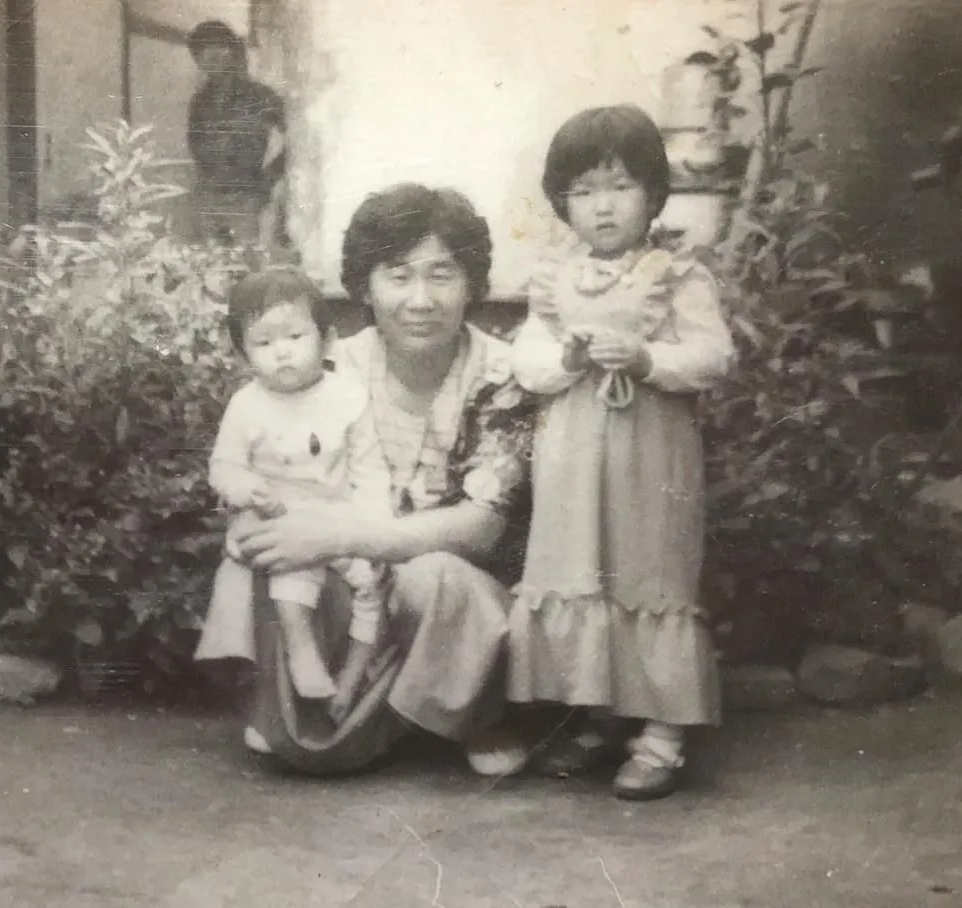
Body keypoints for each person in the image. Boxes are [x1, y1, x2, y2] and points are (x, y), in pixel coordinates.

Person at [194, 184, 536, 778]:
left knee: (433, 578)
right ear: (366, 287)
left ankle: (474, 717)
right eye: (398, 276)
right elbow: (266, 460)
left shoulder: (503, 376)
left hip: (457, 581)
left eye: (442, 275)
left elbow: (481, 527)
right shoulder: (329, 368)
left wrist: (341, 536)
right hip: (348, 572)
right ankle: (310, 711)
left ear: (471, 285)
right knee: (264, 552)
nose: (421, 300)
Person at [507, 105, 736, 800]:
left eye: (620, 186)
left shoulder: (675, 274)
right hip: (574, 456)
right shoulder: (555, 279)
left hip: (649, 454)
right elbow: (528, 362)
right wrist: (568, 358)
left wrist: (646, 358)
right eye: (583, 191)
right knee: (584, 567)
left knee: (649, 571)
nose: (602, 206)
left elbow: (713, 355)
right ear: (562, 202)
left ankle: (663, 731)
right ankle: (600, 712)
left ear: (654, 194)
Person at [206, 267, 389, 717]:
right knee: (291, 564)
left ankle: (353, 677)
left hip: (336, 515)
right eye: (263, 343)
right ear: (244, 354)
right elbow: (223, 466)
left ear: (326, 340)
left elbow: (369, 471)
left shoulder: (348, 397)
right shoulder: (247, 405)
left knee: (373, 584)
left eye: (294, 336)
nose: (282, 352)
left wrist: (375, 532)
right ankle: (300, 647)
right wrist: (246, 487)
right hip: (276, 514)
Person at [186, 20, 287, 248]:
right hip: (209, 198)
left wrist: (269, 178)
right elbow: (195, 144)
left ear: (232, 52)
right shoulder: (199, 102)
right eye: (201, 52)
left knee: (246, 260)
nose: (210, 57)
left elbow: (296, 138)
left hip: (248, 198)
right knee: (211, 262)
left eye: (218, 48)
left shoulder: (261, 96)